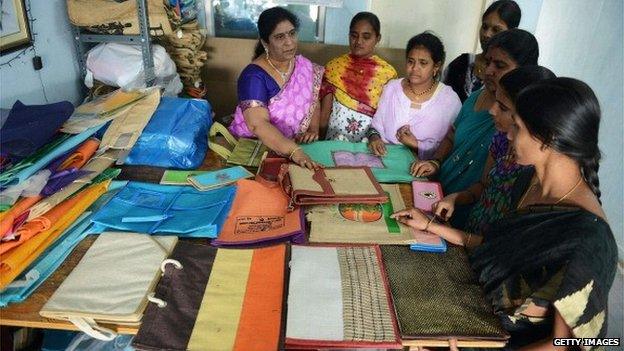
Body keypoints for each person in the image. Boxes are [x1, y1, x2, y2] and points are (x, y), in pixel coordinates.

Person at [392, 78, 618, 349]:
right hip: (472, 315)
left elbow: (563, 345)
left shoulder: (588, 238)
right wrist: (431, 225)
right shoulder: (527, 183)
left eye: (518, 127)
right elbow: (494, 247)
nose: (509, 135)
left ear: (548, 139)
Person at [411, 28, 539, 228]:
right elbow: (452, 135)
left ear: (524, 71)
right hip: (441, 194)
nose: (488, 70)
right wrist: (435, 162)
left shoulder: (525, 128)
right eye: (488, 62)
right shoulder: (474, 98)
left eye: (500, 65)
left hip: (472, 218)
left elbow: (490, 187)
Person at [433, 66, 555, 235]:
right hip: (472, 229)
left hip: (490, 244)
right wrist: (455, 198)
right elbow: (483, 185)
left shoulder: (534, 167)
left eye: (503, 108)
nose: (492, 110)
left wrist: (432, 227)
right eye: (495, 102)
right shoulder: (500, 139)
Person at [229, 7, 324, 169]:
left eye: (292, 33)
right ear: (265, 42)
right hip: (255, 147)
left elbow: (314, 98)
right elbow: (257, 124)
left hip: (292, 146)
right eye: (280, 37)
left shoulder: (303, 66)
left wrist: (313, 129)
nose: (289, 42)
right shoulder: (253, 76)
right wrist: (295, 152)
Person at [367, 32, 461, 160]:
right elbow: (375, 127)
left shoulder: (449, 100)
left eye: (423, 63)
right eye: (411, 61)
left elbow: (450, 146)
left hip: (424, 170)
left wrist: (417, 145)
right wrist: (375, 139)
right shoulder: (392, 88)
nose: (415, 68)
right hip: (382, 161)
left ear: (436, 66)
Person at [319, 12, 397, 142]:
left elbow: (386, 116)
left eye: (366, 37)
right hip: (335, 138)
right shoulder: (334, 67)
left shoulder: (387, 73)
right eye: (354, 36)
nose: (358, 42)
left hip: (370, 141)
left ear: (378, 39)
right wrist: (320, 142)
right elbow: (325, 111)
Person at [443, 0, 521, 102]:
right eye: (484, 27)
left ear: (512, 33)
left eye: (496, 30)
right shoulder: (461, 63)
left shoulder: (512, 76)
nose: (486, 34)